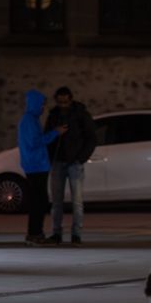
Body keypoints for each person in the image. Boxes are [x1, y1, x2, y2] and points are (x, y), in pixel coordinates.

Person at [43, 86, 97, 245]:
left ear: (71, 99)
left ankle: (76, 234)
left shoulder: (81, 114)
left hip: (74, 163)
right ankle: (56, 233)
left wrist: (81, 158)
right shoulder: (53, 115)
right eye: (60, 102)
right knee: (57, 201)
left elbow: (91, 138)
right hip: (58, 162)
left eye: (65, 102)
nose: (63, 105)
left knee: (77, 201)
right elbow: (47, 137)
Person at [17, 89, 65, 245]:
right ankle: (35, 234)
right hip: (36, 166)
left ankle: (35, 233)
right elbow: (35, 142)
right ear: (35, 103)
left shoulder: (30, 120)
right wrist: (55, 133)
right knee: (39, 201)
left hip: (36, 165)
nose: (43, 108)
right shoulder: (29, 120)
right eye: (42, 104)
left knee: (39, 201)